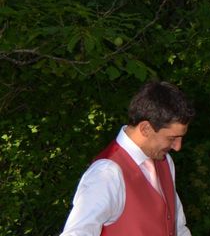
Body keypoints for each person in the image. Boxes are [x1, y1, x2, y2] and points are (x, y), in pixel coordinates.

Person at [61, 80, 196, 236]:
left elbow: (178, 228)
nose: (178, 147)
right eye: (172, 138)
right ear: (145, 128)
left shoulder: (165, 162)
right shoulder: (107, 173)